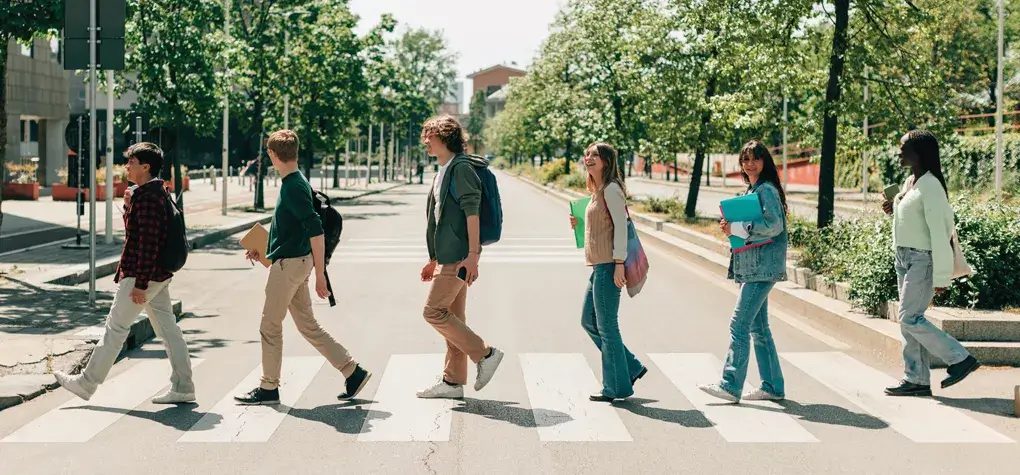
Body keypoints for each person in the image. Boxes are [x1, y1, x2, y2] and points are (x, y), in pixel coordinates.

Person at [235, 129, 371, 405]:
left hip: (291, 267)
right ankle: (352, 371)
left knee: (269, 326)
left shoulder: (293, 186)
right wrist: (263, 249)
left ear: (273, 155)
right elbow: (291, 232)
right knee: (308, 325)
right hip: (293, 263)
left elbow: (316, 232)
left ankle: (269, 387)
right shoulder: (295, 182)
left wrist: (321, 275)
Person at [54, 142, 195, 404]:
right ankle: (184, 385)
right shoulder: (153, 193)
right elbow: (139, 234)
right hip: (157, 276)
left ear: (146, 166)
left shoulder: (150, 199)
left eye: (131, 162)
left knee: (116, 328)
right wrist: (130, 206)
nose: (126, 166)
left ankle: (86, 383)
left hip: (143, 275)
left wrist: (140, 284)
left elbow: (147, 245)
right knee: (168, 330)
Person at [881, 130, 980, 397]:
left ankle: (959, 358)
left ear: (919, 153)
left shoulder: (932, 185)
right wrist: (895, 205)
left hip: (922, 260)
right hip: (903, 258)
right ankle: (916, 379)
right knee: (907, 321)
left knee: (909, 318)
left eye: (904, 148)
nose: (899, 152)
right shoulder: (910, 181)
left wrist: (941, 277)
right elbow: (911, 219)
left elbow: (941, 232)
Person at [415, 115, 503, 399]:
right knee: (453, 317)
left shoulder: (461, 168)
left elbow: (471, 211)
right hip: (448, 256)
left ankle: (485, 354)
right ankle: (453, 382)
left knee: (433, 312)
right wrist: (433, 258)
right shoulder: (443, 169)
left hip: (460, 256)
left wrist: (474, 255)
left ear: (445, 137)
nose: (425, 140)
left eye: (430, 135)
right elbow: (438, 217)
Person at [699, 140, 788, 403]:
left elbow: (773, 225)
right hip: (753, 267)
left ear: (765, 162)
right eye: (745, 160)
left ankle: (730, 385)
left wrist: (740, 228)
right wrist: (731, 227)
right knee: (759, 329)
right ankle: (773, 386)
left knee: (739, 324)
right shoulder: (754, 189)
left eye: (755, 159)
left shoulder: (767, 190)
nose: (750, 164)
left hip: (761, 267)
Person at [568, 142, 647, 402]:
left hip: (608, 266)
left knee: (607, 326)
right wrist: (579, 223)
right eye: (587, 154)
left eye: (595, 155)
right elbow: (603, 225)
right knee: (588, 321)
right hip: (599, 265)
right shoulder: (598, 190)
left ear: (606, 161)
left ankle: (615, 387)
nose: (588, 158)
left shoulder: (611, 190)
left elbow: (622, 229)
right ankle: (630, 367)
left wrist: (618, 264)